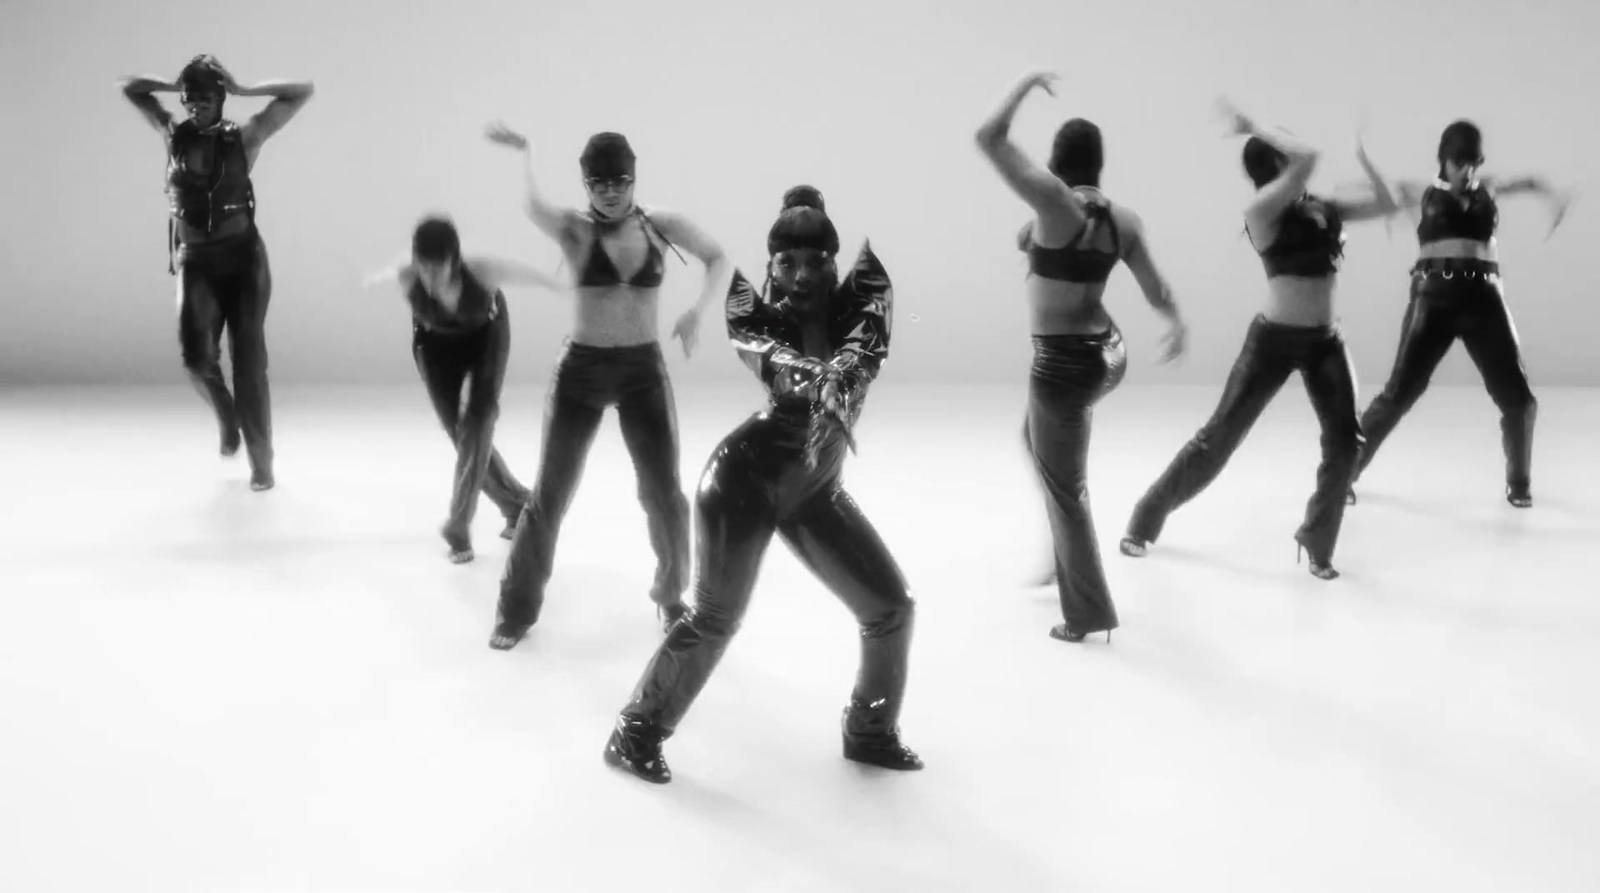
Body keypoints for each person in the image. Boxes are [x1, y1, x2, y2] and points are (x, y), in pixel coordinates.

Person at [603, 187, 920, 785]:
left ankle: (870, 731)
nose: (801, 276)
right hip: (740, 486)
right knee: (714, 620)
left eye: (815, 262)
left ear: (833, 262)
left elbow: (864, 352)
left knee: (891, 609)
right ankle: (635, 731)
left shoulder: (865, 303)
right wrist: (813, 375)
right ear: (772, 268)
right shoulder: (754, 314)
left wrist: (840, 374)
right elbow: (773, 360)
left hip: (814, 491)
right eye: (787, 264)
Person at [1118, 98, 1402, 581]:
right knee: (1217, 440)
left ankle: (1316, 541)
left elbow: (1389, 204)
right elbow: (1308, 156)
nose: (1295, 162)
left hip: (1324, 341)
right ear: (1273, 165)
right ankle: (1145, 520)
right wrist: (1252, 126)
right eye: (1283, 156)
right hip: (1272, 341)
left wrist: (1366, 163)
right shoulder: (1260, 211)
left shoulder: (1321, 208)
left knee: (1345, 442)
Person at [482, 124, 731, 650]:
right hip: (582, 372)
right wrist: (527, 152)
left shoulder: (660, 225)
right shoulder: (574, 230)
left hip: (643, 371)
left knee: (664, 494)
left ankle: (670, 598)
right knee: (549, 494)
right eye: (600, 184)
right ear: (586, 185)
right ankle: (515, 611)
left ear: (634, 179)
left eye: (620, 181)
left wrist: (696, 312)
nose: (611, 192)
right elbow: (533, 207)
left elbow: (716, 257)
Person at [974, 71, 1188, 641]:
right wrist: (1176, 325)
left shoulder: (1054, 203)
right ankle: (1060, 554)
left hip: (1062, 368)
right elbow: (1157, 293)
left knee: (1068, 488)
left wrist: (1023, 82)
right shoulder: (1123, 221)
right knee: (1035, 443)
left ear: (1055, 164)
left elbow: (988, 137)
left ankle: (1086, 612)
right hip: (1107, 355)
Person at [1348, 120, 1574, 509]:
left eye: (1473, 164)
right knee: (1398, 393)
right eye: (1459, 163)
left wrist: (1554, 197)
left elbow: (1531, 183)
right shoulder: (1422, 191)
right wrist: (1365, 163)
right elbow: (1384, 198)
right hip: (1432, 299)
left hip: (1483, 299)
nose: (1466, 172)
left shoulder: (1489, 188)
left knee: (1519, 399)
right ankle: (1344, 472)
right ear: (1444, 161)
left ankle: (1518, 484)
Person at [117, 55, 314, 491]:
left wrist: (245, 90)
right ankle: (227, 417)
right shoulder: (173, 135)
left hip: (243, 261)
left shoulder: (245, 137)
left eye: (205, 99)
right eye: (189, 99)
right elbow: (131, 86)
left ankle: (262, 462)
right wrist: (173, 82)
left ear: (220, 98)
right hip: (195, 260)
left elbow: (302, 90)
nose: (194, 106)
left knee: (249, 365)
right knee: (194, 357)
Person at [362, 216, 571, 563]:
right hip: (434, 345)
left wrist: (558, 284)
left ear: (455, 261)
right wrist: (366, 279)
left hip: (485, 337)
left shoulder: (483, 270)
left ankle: (458, 524)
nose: (429, 277)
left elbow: (528, 274)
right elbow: (384, 273)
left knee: (479, 421)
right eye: (423, 268)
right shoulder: (406, 274)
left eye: (438, 268)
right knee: (461, 435)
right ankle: (518, 505)